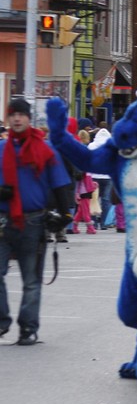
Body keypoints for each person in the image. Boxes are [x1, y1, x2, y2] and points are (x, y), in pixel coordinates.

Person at [0, 98, 74, 345]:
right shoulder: (1, 149)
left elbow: (60, 184)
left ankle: (28, 328)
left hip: (33, 221)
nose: (17, 118)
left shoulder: (46, 149)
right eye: (13, 115)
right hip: (2, 222)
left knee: (31, 280)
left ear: (29, 118)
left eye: (21, 114)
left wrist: (65, 215)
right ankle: (1, 322)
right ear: (8, 119)